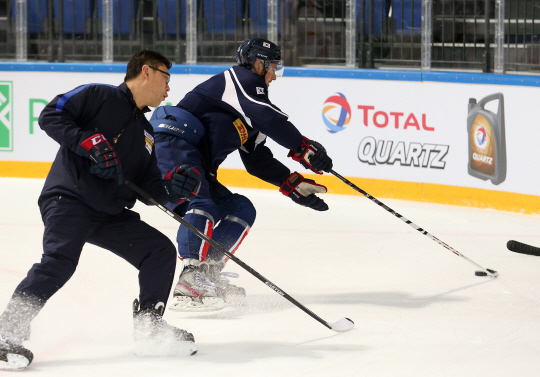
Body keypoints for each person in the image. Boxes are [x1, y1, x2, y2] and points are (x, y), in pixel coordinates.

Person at [0, 50, 202, 371]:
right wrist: (87, 141)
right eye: (166, 78)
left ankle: (149, 327)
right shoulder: (98, 95)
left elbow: (148, 189)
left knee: (159, 251)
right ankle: (5, 334)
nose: (168, 88)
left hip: (109, 214)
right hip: (70, 198)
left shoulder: (147, 134)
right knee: (59, 262)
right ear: (146, 72)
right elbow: (51, 115)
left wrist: (173, 189)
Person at [149, 38, 333, 312]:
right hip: (174, 146)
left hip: (197, 159)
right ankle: (190, 278)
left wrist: (291, 184)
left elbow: (257, 161)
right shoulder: (239, 80)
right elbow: (269, 117)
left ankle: (208, 273)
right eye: (273, 66)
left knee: (241, 208)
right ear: (258, 64)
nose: (274, 75)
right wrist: (303, 147)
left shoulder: (251, 108)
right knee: (201, 201)